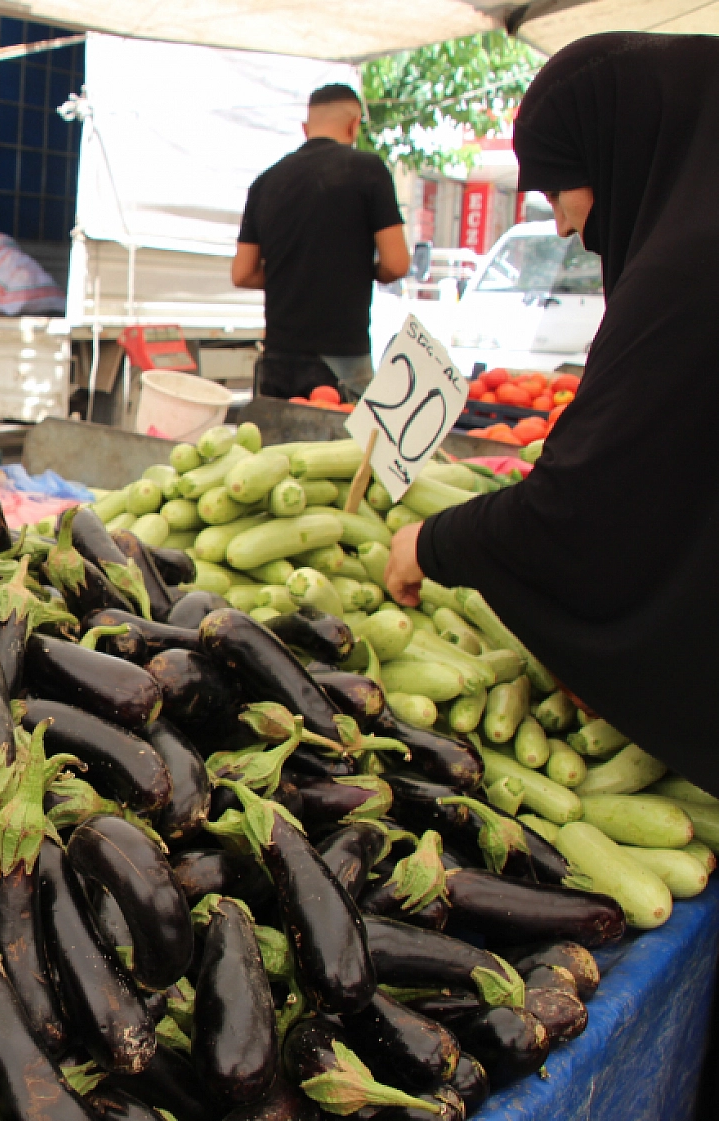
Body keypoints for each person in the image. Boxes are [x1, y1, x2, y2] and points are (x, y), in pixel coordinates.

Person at [385, 33, 719, 795]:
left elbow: (592, 508)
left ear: (614, 147)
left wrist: (430, 543)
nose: (564, 226)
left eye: (558, 189)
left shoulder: (691, 267)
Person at [233, 84, 411, 402]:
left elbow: (242, 273)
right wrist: (358, 271)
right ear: (354, 124)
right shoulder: (368, 171)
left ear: (306, 128)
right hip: (341, 357)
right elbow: (396, 263)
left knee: (273, 450)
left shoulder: (265, 181)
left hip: (278, 358)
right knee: (341, 450)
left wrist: (289, 274)